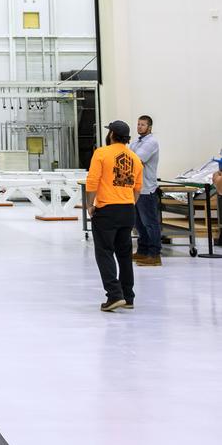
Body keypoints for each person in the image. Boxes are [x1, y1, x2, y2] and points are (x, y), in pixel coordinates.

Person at [85, 120, 143, 312]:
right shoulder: (134, 158)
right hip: (127, 210)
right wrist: (128, 204)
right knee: (124, 254)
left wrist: (89, 205)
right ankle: (128, 296)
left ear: (111, 135)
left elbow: (92, 181)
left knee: (104, 252)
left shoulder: (101, 153)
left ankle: (114, 295)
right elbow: (137, 188)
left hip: (107, 210)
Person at [132, 114, 162, 266]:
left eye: (142, 125)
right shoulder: (136, 142)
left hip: (147, 189)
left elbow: (136, 160)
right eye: (138, 124)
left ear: (149, 127)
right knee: (139, 224)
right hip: (137, 189)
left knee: (150, 223)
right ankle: (142, 251)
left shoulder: (151, 142)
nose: (139, 127)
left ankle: (155, 254)